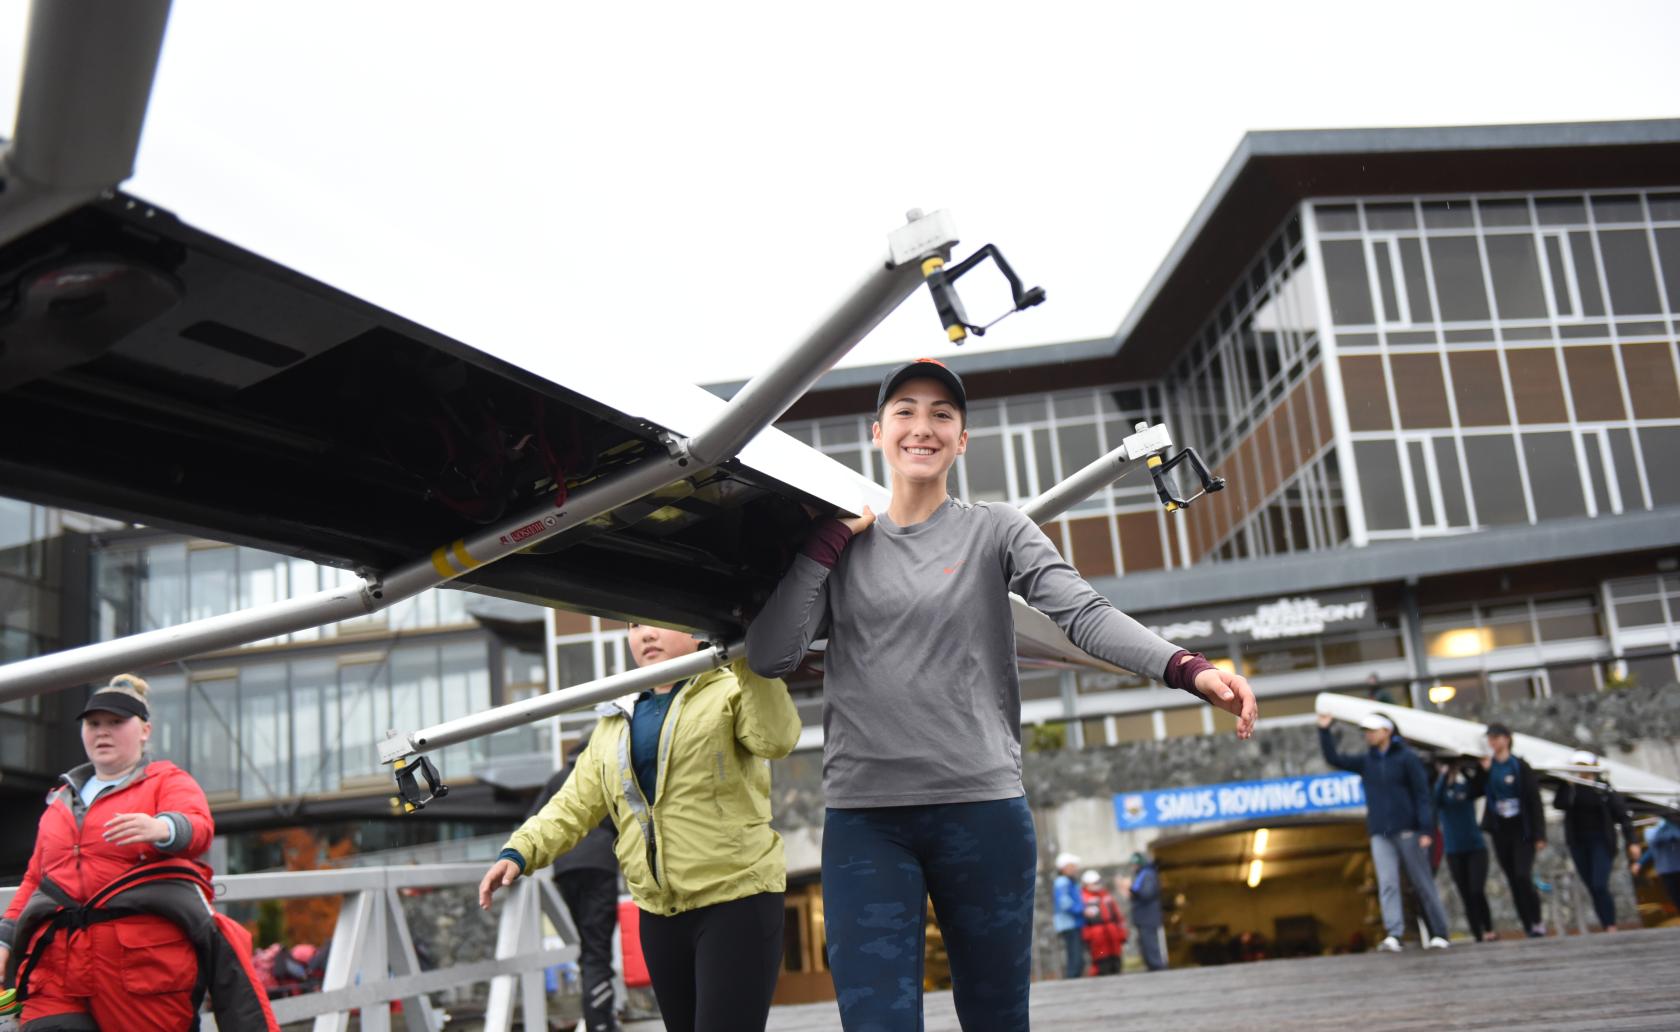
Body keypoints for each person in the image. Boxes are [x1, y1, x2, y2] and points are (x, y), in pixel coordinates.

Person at [746, 359, 1257, 1031]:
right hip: (867, 822)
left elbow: (1084, 615)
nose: (922, 427)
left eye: (941, 415)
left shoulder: (997, 529)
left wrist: (1188, 668)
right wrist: (825, 543)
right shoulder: (845, 548)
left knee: (996, 1019)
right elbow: (771, 655)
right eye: (904, 411)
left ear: (961, 440)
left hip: (982, 813)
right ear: (878, 432)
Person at [479, 624, 800, 1032]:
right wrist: (520, 851)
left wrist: (747, 657)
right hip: (659, 914)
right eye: (633, 625)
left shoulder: (731, 688)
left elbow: (777, 739)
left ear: (697, 630)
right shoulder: (617, 717)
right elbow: (574, 803)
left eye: (657, 620)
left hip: (735, 901)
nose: (645, 634)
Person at [0, 674, 279, 1031]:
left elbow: (199, 827)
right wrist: (5, 936)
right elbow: (35, 879)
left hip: (140, 966)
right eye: (93, 723)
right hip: (57, 966)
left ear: (145, 731)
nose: (103, 732)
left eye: (116, 722)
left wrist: (164, 828)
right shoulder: (59, 800)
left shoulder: (167, 780)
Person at [1318, 711, 1451, 952]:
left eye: (1372, 731)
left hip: (1409, 830)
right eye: (1366, 731)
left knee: (1422, 882)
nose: (1368, 735)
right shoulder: (1367, 761)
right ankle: (1394, 934)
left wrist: (1426, 829)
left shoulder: (1407, 758)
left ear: (1387, 731)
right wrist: (1324, 729)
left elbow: (1422, 795)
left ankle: (1440, 933)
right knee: (1388, 883)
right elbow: (1334, 758)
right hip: (1380, 832)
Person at [530, 727, 620, 1032]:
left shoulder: (557, 778)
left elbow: (534, 821)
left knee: (587, 945)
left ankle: (600, 1018)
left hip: (566, 868)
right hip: (600, 865)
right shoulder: (605, 769)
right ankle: (600, 1023)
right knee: (597, 949)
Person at [1473, 721, 1547, 937]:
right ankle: (1527, 924)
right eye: (1490, 739)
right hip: (1500, 828)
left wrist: (1539, 834)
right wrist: (1483, 772)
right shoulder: (1488, 766)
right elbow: (1475, 790)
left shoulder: (1519, 766)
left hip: (1521, 829)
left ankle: (1537, 919)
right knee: (1513, 878)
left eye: (1496, 738)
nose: (1493, 742)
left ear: (1506, 739)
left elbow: (1534, 800)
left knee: (1523, 874)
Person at [1553, 751, 1641, 932]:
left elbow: (1623, 815)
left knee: (1599, 883)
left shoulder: (1603, 788)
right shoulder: (1570, 787)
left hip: (1601, 841)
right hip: (1578, 842)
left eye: (1584, 766)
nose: (1581, 770)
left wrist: (1632, 841)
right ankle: (1605, 923)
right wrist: (1568, 785)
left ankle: (1611, 925)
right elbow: (1560, 804)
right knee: (1591, 886)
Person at [1434, 758, 1496, 942]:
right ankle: (1477, 933)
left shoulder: (1464, 789)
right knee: (1465, 893)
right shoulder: (1441, 793)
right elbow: (1435, 798)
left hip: (1475, 848)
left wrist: (1463, 769)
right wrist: (1445, 775)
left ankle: (1488, 928)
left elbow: (1479, 786)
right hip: (1454, 851)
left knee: (1477, 890)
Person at [1078, 870, 1127, 976]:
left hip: (1111, 929)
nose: (1096, 885)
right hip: (1095, 931)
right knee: (1101, 956)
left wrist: (1121, 931)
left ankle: (1116, 969)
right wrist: (1086, 935)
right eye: (1093, 883)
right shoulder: (1083, 897)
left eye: (1097, 882)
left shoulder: (1106, 895)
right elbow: (1083, 919)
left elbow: (1117, 914)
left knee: (1115, 955)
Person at [1126, 852, 1168, 972]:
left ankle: (1157, 965)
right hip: (1143, 916)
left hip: (1148, 916)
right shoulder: (1141, 875)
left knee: (1151, 943)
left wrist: (1132, 891)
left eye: (1134, 864)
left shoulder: (1148, 875)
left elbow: (1147, 894)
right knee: (1145, 943)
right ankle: (1152, 965)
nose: (1133, 867)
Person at [1051, 853, 1086, 979]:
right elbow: (1064, 902)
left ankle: (1074, 975)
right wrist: (1081, 910)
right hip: (1069, 921)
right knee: (1075, 952)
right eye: (1072, 866)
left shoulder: (1068, 881)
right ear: (1064, 868)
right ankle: (1073, 976)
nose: (1075, 869)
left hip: (1072, 921)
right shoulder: (1063, 882)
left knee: (1074, 951)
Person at [1638, 817, 1680, 912]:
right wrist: (1640, 863)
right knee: (1675, 897)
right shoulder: (1655, 829)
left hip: (1675, 868)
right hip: (1666, 871)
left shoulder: (1673, 825)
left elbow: (1675, 835)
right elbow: (1652, 849)